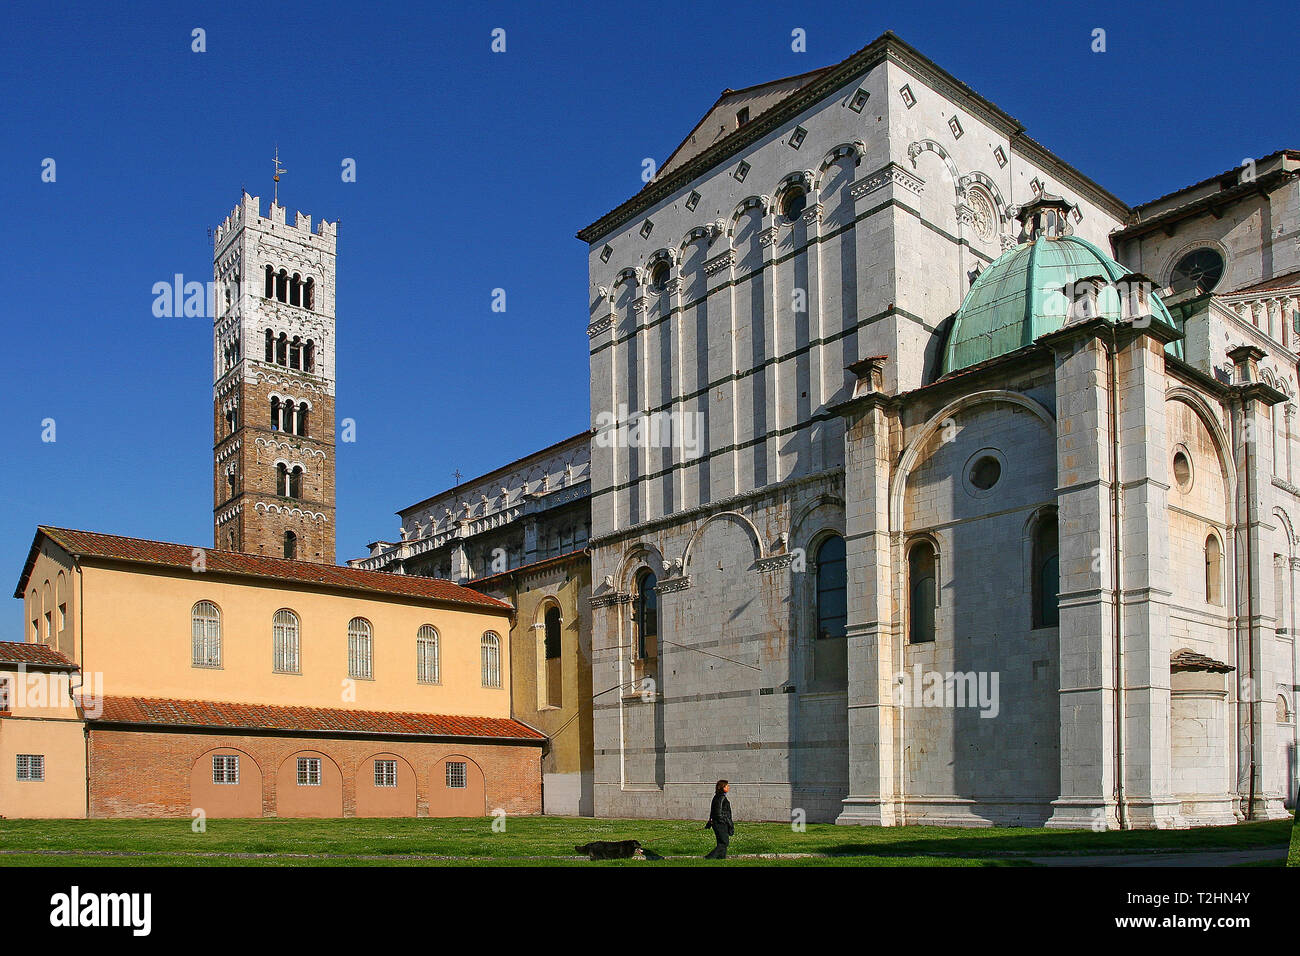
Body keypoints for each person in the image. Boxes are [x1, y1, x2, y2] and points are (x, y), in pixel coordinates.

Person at [704, 779, 734, 859]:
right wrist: (724, 821)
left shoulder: (717, 797)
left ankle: (721, 858)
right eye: (727, 786)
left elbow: (712, 811)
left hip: (718, 823)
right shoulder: (721, 798)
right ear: (722, 787)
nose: (728, 787)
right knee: (724, 842)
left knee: (721, 842)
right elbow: (718, 813)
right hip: (720, 823)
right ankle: (709, 857)